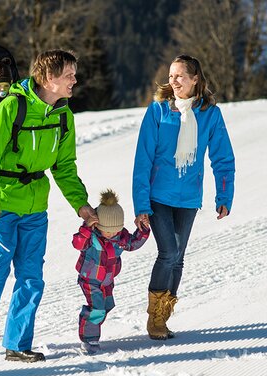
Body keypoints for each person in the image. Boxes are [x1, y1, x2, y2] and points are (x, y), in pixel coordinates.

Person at [0, 49, 96, 363]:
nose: (74, 81)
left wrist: (81, 205)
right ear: (49, 78)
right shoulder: (13, 107)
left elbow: (64, 167)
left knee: (31, 276)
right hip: (3, 203)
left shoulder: (63, 115)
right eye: (69, 75)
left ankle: (17, 344)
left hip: (36, 207)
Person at [132, 54, 235, 340]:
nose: (173, 81)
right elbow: (142, 160)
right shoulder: (158, 111)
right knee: (168, 252)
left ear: (195, 79)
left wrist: (224, 194)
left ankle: (164, 315)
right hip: (158, 197)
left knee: (178, 258)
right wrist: (141, 204)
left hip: (189, 198)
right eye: (171, 76)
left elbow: (223, 158)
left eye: (179, 76)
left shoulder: (210, 114)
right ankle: (155, 318)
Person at [72, 189, 150, 354]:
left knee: (106, 306)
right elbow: (77, 243)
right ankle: (89, 340)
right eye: (107, 230)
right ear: (98, 225)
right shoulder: (91, 237)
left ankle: (89, 324)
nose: (111, 234)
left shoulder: (120, 237)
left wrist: (143, 231)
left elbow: (133, 244)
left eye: (115, 230)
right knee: (97, 309)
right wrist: (86, 228)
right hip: (90, 280)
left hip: (107, 280)